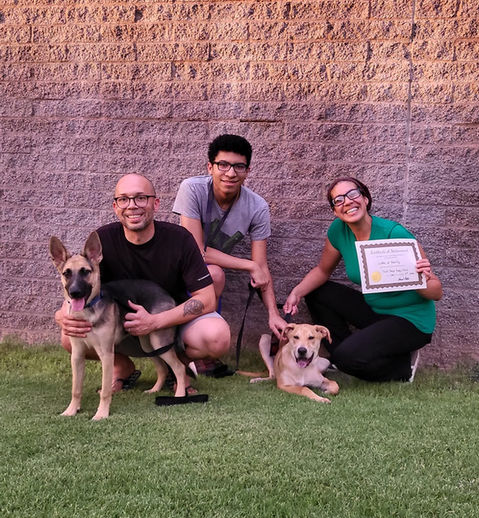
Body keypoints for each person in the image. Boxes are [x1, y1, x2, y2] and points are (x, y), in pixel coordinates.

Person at [55, 173, 231, 393]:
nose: (132, 206)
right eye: (124, 199)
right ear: (115, 206)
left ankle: (178, 368)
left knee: (217, 337)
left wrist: (155, 321)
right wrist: (63, 313)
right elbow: (83, 284)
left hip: (174, 320)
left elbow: (207, 300)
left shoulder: (179, 239)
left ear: (155, 203)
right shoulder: (103, 241)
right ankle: (122, 367)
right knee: (69, 336)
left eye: (141, 198)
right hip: (126, 326)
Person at [284, 177, 443, 382]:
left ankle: (402, 367)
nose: (347, 202)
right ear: (334, 211)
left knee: (346, 358)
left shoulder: (394, 233)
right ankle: (347, 352)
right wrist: (296, 293)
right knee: (316, 292)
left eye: (353, 194)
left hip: (410, 319)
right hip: (375, 311)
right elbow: (323, 271)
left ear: (365, 198)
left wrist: (420, 280)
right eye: (339, 200)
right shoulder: (338, 231)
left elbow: (437, 292)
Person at [172, 134, 286, 346]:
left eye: (239, 167)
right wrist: (249, 265)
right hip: (176, 266)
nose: (231, 173)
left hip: (207, 278)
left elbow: (261, 266)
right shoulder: (193, 189)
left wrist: (273, 313)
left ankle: (202, 345)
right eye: (223, 165)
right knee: (214, 273)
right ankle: (197, 342)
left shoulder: (257, 207)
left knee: (214, 274)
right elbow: (197, 252)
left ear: (247, 171)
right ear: (210, 167)